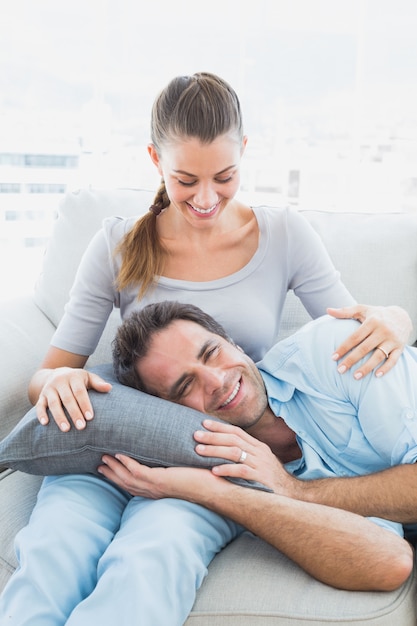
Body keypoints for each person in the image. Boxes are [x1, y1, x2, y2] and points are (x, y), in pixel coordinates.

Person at [0, 72, 412, 625]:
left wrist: (397, 318)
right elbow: (47, 375)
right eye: (185, 180)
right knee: (55, 551)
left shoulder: (283, 234)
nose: (206, 197)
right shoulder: (118, 244)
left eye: (224, 176)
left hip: (213, 449)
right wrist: (57, 382)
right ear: (154, 160)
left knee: (153, 553)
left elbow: (347, 336)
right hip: (123, 431)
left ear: (244, 152)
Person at [105, 299, 417, 591]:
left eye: (211, 353)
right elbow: (390, 561)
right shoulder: (229, 466)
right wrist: (217, 494)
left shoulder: (336, 351)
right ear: (170, 412)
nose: (216, 381)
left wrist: (295, 490)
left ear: (234, 343)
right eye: (185, 385)